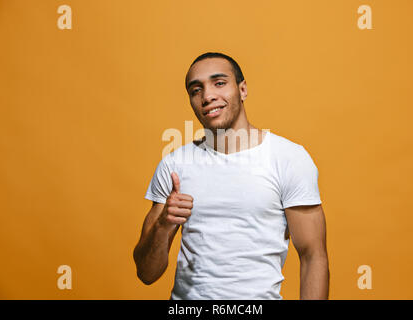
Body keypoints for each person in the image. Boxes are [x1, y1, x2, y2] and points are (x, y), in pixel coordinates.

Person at [133, 52, 329, 300]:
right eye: (196, 90)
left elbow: (313, 256)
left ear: (243, 89)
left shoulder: (288, 158)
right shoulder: (174, 166)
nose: (207, 96)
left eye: (219, 83)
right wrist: (163, 224)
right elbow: (146, 273)